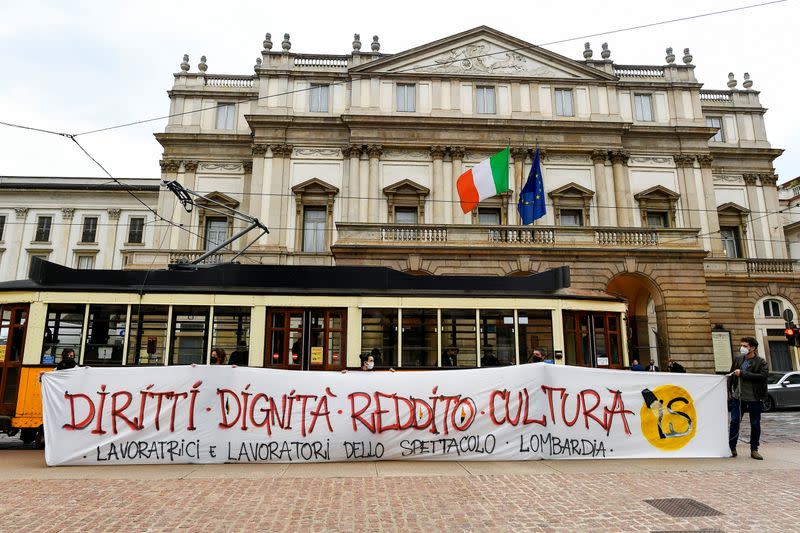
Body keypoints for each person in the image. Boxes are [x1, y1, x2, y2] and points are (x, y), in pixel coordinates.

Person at [728, 336, 768, 460]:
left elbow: (763, 376)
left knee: (755, 424)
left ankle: (754, 449)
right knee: (734, 422)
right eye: (742, 345)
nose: (742, 348)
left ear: (753, 348)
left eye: (745, 346)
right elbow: (731, 375)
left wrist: (743, 373)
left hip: (754, 398)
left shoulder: (761, 362)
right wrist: (728, 390)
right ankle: (731, 448)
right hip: (738, 397)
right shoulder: (738, 359)